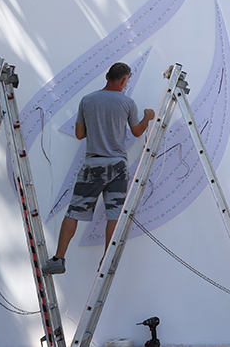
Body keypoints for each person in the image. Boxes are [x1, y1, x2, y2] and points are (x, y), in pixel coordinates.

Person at [40, 62, 155, 275]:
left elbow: (79, 134)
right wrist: (148, 117)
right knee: (114, 213)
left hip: (93, 164)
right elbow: (137, 132)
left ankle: (59, 258)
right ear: (123, 80)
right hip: (117, 166)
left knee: (74, 211)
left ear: (106, 77)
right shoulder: (127, 103)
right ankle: (107, 260)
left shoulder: (88, 101)